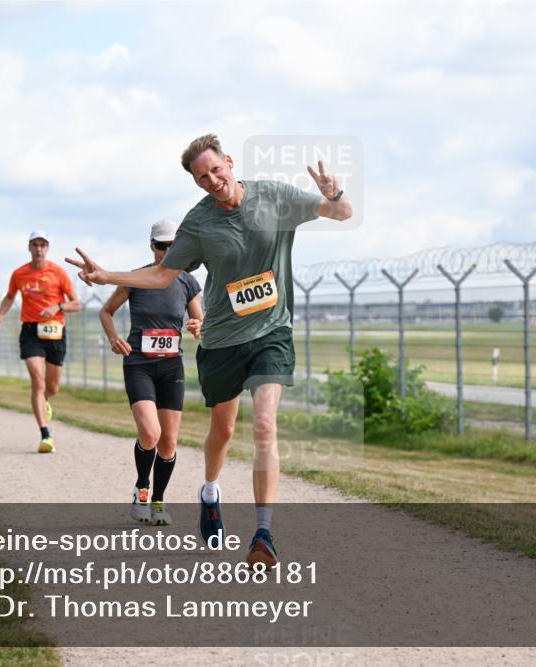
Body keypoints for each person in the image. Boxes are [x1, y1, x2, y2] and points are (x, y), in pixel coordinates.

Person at [67, 134, 353, 567]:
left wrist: (334, 192)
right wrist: (107, 276)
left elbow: (341, 213)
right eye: (203, 177)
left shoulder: (273, 196)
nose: (213, 180)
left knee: (264, 424)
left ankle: (263, 532)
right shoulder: (198, 223)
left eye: (217, 170)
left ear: (230, 163)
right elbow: (163, 275)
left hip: (272, 332)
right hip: (221, 339)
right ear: (197, 184)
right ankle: (210, 490)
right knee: (222, 432)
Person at [99, 219, 203, 526]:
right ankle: (142, 489)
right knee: (150, 433)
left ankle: (158, 500)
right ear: (152, 246)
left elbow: (200, 321)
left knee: (168, 442)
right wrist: (114, 338)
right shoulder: (136, 278)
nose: (167, 251)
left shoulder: (187, 281)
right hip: (140, 364)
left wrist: (199, 326)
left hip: (171, 366)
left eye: (173, 246)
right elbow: (106, 311)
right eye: (161, 246)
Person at [0, 231, 81, 453]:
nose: (39, 249)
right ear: (29, 247)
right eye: (35, 244)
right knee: (37, 380)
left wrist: (57, 307)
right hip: (31, 330)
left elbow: (76, 304)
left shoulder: (58, 272)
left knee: (52, 387)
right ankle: (45, 435)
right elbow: (10, 297)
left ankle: (45, 400)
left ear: (47, 248)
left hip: (55, 331)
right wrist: (0, 315)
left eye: (43, 245)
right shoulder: (19, 273)